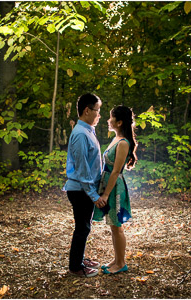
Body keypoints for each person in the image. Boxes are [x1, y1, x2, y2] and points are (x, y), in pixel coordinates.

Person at [93, 105, 138, 275]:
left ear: (119, 122)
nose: (108, 120)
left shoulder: (124, 143)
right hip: (108, 185)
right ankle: (117, 259)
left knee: (117, 226)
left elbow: (116, 171)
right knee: (113, 225)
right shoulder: (116, 139)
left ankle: (121, 263)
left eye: (111, 117)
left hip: (115, 188)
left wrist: (105, 194)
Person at [63, 93, 104, 277]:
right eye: (97, 110)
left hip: (85, 189)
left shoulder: (87, 130)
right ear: (87, 110)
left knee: (84, 226)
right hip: (80, 190)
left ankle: (79, 259)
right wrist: (93, 195)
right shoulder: (80, 134)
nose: (99, 115)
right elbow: (82, 169)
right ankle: (75, 267)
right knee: (82, 227)